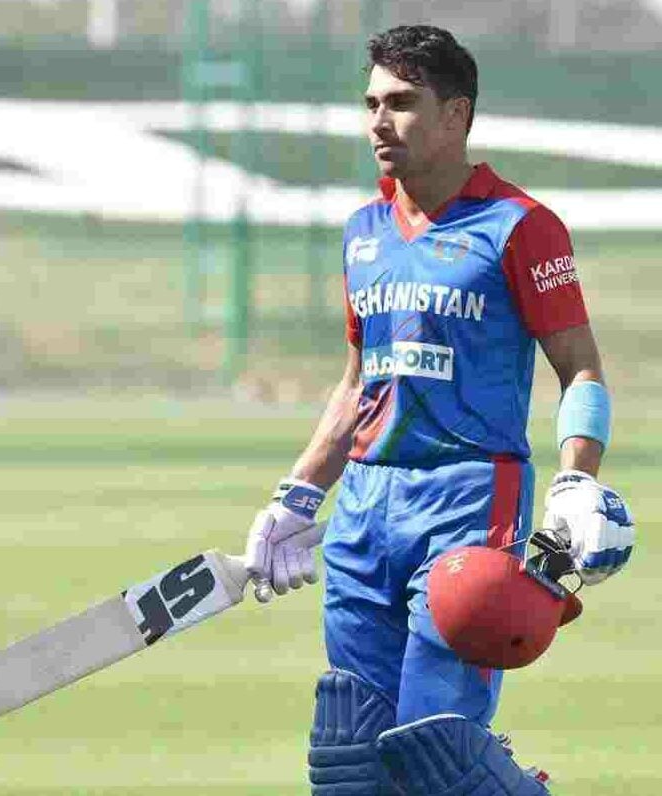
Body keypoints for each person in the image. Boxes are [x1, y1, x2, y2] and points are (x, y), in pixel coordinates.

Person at [244, 24, 634, 795]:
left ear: (454, 115)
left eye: (400, 103)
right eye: (370, 104)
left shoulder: (519, 226)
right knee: (350, 762)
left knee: (436, 754)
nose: (378, 122)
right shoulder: (363, 232)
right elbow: (358, 382)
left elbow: (580, 368)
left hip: (468, 503)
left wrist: (575, 481)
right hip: (364, 511)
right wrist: (297, 494)